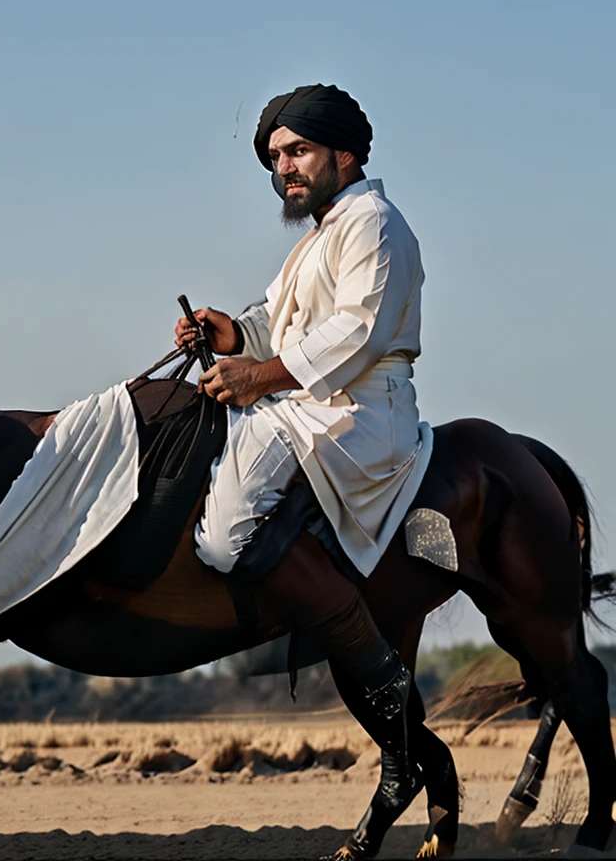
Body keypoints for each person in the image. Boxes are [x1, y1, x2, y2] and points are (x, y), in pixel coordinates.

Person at [175, 83, 432, 826]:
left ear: (344, 153)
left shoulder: (376, 224)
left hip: (357, 415)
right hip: (305, 405)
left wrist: (256, 375)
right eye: (275, 158)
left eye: (298, 151)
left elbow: (355, 334)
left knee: (223, 539)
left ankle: (373, 665)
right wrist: (229, 336)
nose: (284, 167)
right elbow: (275, 326)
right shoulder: (316, 239)